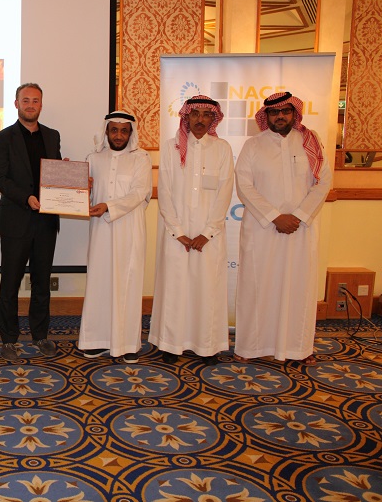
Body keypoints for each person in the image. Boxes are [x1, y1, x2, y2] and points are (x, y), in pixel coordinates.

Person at [234, 91, 332, 365]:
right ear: (266, 116)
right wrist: (275, 216)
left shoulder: (311, 142)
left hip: (301, 230)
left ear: (294, 114)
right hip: (262, 229)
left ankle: (299, 348)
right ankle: (251, 346)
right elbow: (244, 185)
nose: (280, 116)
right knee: (258, 287)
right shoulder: (253, 145)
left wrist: (299, 216)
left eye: (285, 111)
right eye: (274, 112)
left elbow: (323, 182)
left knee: (299, 288)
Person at [149, 96, 235, 366]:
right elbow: (165, 191)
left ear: (213, 119)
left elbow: (225, 193)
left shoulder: (222, 149)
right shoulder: (171, 147)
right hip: (176, 234)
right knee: (175, 289)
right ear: (185, 117)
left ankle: (207, 346)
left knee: (207, 290)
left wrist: (206, 233)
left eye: (206, 115)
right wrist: (179, 232)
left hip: (209, 236)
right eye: (194, 114)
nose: (200, 119)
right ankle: (171, 344)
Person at [0, 83, 61, 361]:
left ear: (41, 104)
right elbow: (0, 179)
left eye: (36, 100)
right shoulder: (1, 138)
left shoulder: (52, 135)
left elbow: (55, 171)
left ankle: (40, 335)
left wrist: (68, 176)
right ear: (16, 103)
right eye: (26, 100)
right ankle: (8, 339)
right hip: (15, 220)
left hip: (46, 222)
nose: (31, 105)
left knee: (42, 282)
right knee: (10, 283)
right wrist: (27, 198)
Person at [79, 111, 152, 362]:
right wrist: (74, 183)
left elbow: (139, 192)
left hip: (129, 229)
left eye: (124, 130)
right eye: (114, 130)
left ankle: (128, 344)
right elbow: (84, 197)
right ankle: (95, 340)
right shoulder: (93, 158)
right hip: (100, 230)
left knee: (128, 284)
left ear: (130, 133)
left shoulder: (141, 158)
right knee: (98, 281)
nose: (118, 135)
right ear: (106, 132)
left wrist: (109, 206)